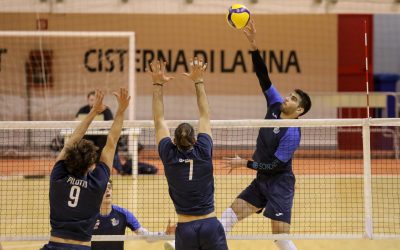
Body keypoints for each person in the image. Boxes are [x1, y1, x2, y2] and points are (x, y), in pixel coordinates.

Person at [220, 19, 312, 250]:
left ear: (298, 110)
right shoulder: (274, 105)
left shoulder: (292, 133)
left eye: (292, 99)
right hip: (261, 182)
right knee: (226, 219)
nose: (286, 98)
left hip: (279, 183)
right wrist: (253, 47)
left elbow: (275, 166)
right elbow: (263, 77)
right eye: (288, 95)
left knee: (281, 238)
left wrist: (245, 163)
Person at [150, 58, 228, 250]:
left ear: (173, 141)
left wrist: (157, 84)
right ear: (195, 139)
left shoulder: (168, 154)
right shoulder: (203, 150)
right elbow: (204, 115)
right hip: (210, 225)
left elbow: (159, 120)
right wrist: (198, 81)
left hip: (185, 229)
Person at [41, 88, 130, 250]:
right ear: (91, 165)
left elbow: (72, 140)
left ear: (68, 157)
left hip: (53, 245)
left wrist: (93, 111)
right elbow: (111, 142)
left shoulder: (58, 176)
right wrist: (121, 110)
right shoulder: (96, 185)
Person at [91, 180, 176, 250]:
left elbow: (146, 236)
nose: (107, 190)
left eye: (109, 187)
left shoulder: (123, 214)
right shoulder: (89, 214)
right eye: (104, 188)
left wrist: (165, 234)